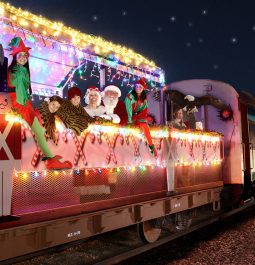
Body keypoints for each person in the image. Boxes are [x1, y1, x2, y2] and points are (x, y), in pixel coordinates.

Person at [7, 37, 72, 170]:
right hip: (16, 103)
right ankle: (49, 158)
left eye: (25, 56)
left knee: (40, 131)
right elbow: (12, 87)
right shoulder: (12, 71)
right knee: (35, 130)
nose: (23, 58)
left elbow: (24, 90)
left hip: (26, 104)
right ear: (15, 56)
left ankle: (49, 158)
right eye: (20, 55)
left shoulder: (24, 71)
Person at [125, 77, 157, 157]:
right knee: (132, 128)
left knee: (145, 126)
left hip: (138, 116)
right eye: (136, 86)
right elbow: (128, 109)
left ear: (143, 88)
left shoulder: (144, 98)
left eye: (140, 87)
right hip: (128, 115)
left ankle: (151, 146)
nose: (138, 88)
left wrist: (142, 118)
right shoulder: (130, 96)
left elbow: (144, 109)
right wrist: (129, 120)